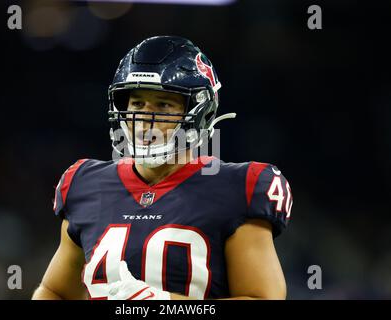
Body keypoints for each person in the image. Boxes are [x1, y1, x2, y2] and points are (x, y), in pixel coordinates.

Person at [32, 36, 292, 300]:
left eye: (163, 104)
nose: (145, 118)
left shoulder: (240, 187)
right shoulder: (84, 184)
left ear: (199, 111)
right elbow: (55, 291)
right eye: (137, 104)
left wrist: (165, 303)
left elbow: (263, 297)